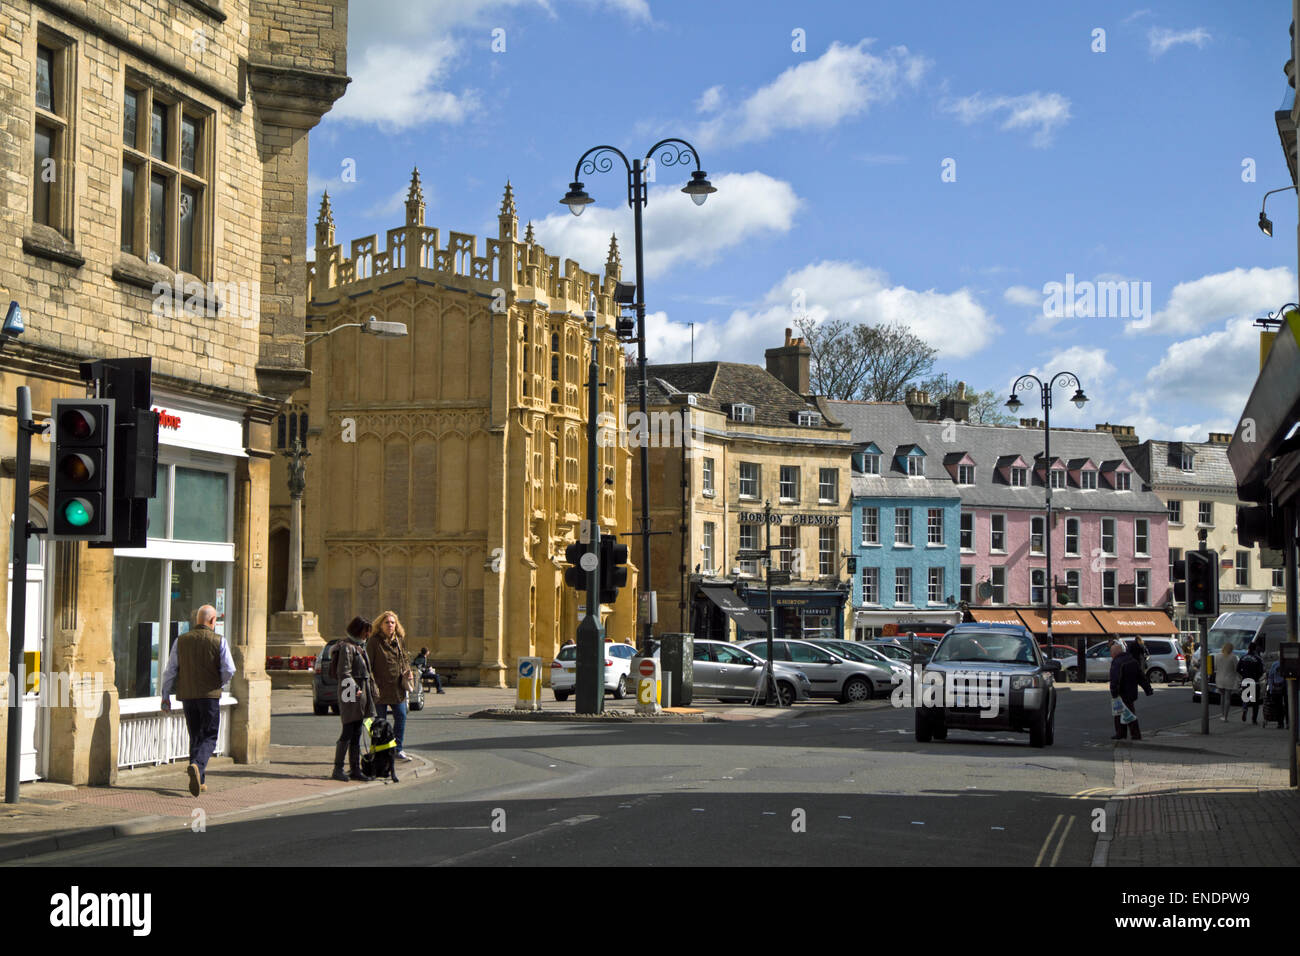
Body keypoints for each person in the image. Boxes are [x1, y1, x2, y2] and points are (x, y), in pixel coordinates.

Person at [161, 605, 235, 796]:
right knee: (209, 735)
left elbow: (170, 670)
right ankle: (197, 765)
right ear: (212, 621)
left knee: (195, 735)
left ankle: (199, 780)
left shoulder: (181, 640)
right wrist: (219, 682)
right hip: (209, 696)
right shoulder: (219, 640)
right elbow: (229, 669)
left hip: (188, 696)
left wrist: (165, 696)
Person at [333, 616, 377, 781]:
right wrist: (356, 688)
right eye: (366, 631)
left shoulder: (359, 646)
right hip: (350, 692)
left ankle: (355, 769)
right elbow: (343, 673)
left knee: (357, 730)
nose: (368, 634)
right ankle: (337, 769)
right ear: (358, 630)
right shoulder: (347, 647)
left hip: (360, 692)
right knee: (348, 730)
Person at [368, 610, 414, 761]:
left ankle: (397, 749)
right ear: (380, 625)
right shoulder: (374, 642)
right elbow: (368, 666)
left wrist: (408, 672)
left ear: (396, 625)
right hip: (380, 690)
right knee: (380, 723)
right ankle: (379, 751)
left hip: (397, 689)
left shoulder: (399, 640)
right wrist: (371, 684)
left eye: (392, 622)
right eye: (386, 622)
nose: (390, 625)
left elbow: (404, 660)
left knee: (401, 716)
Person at [1110, 639, 1153, 740]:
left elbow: (1115, 679)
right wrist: (1148, 689)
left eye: (1111, 653)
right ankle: (1123, 734)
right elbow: (1141, 677)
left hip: (1122, 692)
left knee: (1125, 714)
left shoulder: (1117, 662)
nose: (1111, 655)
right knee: (1125, 713)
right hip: (1132, 692)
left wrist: (1114, 692)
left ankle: (1130, 734)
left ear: (1115, 653)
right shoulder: (1132, 660)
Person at [1237, 639, 1265, 725]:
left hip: (1245, 680)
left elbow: (1238, 669)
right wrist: (1257, 677)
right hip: (1254, 681)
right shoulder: (1258, 659)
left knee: (1246, 697)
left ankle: (1245, 709)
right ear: (1255, 649)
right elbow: (1261, 671)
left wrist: (1243, 674)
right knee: (1255, 701)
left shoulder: (1243, 657)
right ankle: (1254, 719)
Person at [1214, 642, 1239, 722]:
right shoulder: (1233, 657)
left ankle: (1222, 714)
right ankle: (1225, 716)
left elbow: (1215, 667)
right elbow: (1236, 668)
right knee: (1227, 698)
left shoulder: (1217, 656)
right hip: (1229, 679)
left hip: (1219, 679)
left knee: (1222, 696)